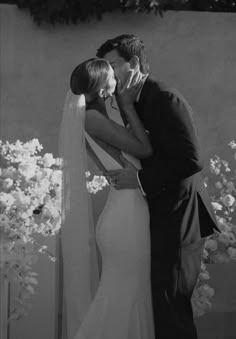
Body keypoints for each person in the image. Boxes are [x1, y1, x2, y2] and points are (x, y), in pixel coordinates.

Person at [96, 35, 219, 339]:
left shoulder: (164, 97)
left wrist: (138, 180)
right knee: (160, 309)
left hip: (181, 218)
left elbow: (191, 159)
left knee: (171, 308)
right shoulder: (131, 102)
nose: (109, 74)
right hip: (159, 216)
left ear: (134, 63)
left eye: (113, 66)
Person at [59, 57, 155, 339]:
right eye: (113, 75)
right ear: (103, 90)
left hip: (125, 212)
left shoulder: (93, 116)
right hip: (128, 218)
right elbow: (144, 149)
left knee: (127, 296)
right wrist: (126, 105)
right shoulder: (92, 118)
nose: (118, 76)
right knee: (124, 299)